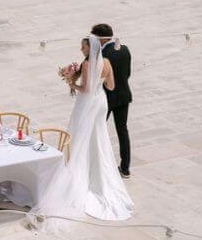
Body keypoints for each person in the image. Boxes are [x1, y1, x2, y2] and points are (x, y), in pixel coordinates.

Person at [31, 34, 133, 227]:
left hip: (87, 104)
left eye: (83, 47)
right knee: (99, 137)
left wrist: (72, 83)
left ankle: (79, 172)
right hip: (101, 102)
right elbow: (111, 86)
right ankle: (99, 172)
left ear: (90, 48)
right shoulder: (107, 63)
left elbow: (85, 89)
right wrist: (99, 82)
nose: (81, 50)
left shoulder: (87, 65)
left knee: (79, 137)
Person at [91, 23, 131, 179]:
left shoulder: (102, 55)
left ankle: (97, 164)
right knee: (122, 131)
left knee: (98, 128)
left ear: (101, 39)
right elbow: (127, 73)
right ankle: (125, 168)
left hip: (107, 97)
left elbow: (100, 78)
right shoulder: (125, 49)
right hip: (123, 95)